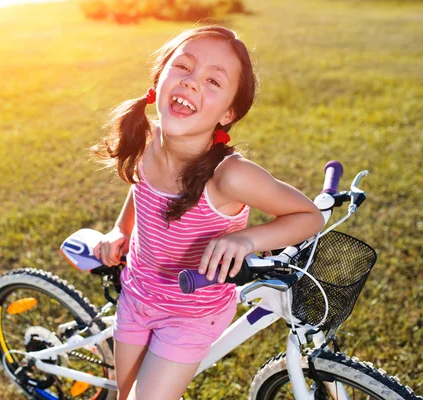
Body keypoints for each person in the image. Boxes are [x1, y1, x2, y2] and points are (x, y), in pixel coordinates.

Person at [91, 25, 325, 400]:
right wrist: (121, 229)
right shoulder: (149, 139)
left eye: (214, 81)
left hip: (192, 314)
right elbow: (142, 189)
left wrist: (246, 238)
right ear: (159, 79)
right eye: (182, 67)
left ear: (228, 112)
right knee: (124, 394)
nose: (192, 83)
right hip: (137, 292)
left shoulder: (230, 176)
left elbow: (309, 217)